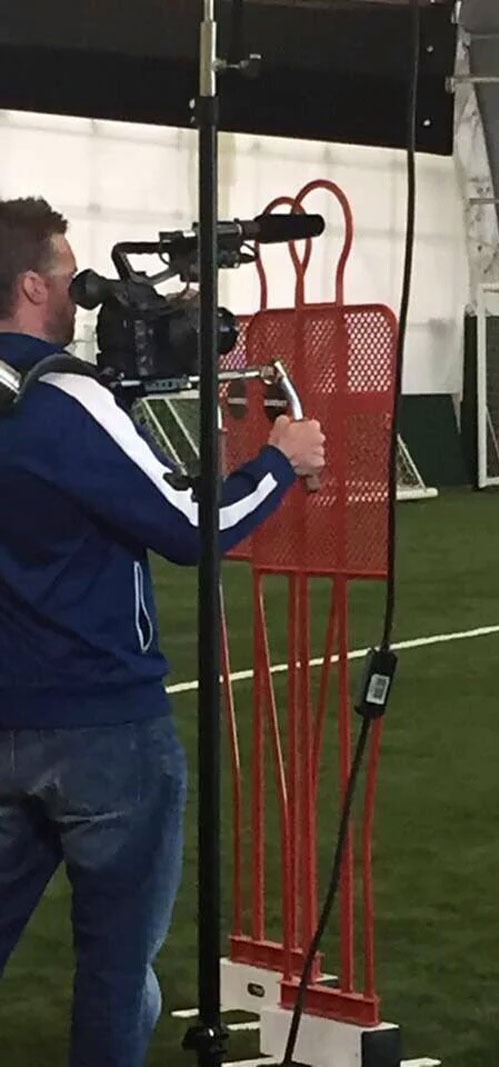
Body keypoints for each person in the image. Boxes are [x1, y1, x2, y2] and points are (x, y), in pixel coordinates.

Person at [0, 196, 325, 1067]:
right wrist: (279, 462)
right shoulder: (66, 398)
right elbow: (190, 527)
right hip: (104, 724)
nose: (80, 294)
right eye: (67, 276)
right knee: (115, 970)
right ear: (31, 286)